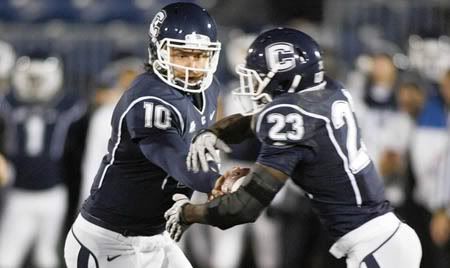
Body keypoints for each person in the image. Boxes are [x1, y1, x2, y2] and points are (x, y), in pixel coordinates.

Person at [165, 28, 423, 268]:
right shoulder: (327, 91)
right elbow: (256, 121)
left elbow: (244, 207)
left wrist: (187, 213)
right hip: (381, 239)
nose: (254, 86)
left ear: (285, 75)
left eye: (259, 77)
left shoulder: (291, 117)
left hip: (375, 245)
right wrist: (214, 132)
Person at [64, 3, 241, 268]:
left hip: (157, 236)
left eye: (200, 55)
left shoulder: (209, 90)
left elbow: (201, 147)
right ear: (158, 51)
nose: (193, 65)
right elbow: (171, 154)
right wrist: (215, 182)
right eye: (182, 54)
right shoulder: (148, 97)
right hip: (109, 241)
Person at [0, 51, 86, 268]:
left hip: (53, 192)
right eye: (31, 78)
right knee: (7, 256)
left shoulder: (69, 105)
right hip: (19, 192)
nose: (35, 84)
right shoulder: (9, 103)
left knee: (46, 256)